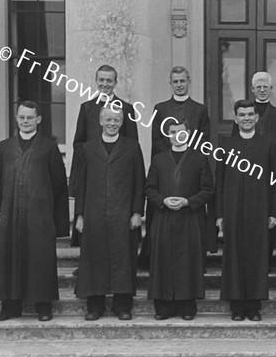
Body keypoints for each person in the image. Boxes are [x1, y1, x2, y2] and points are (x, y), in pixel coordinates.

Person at [0, 100, 69, 322]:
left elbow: (59, 185)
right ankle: (10, 307)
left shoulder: (48, 147)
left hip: (40, 214)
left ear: (38, 119)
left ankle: (43, 306)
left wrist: (57, 221)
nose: (25, 121)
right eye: (22, 117)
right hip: (10, 212)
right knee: (9, 258)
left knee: (40, 259)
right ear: (16, 118)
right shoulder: (4, 147)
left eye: (30, 117)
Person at [74, 106, 145, 321]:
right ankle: (95, 306)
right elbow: (81, 183)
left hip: (122, 213)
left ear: (122, 122)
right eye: (108, 120)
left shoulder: (132, 148)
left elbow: (139, 182)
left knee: (124, 259)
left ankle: (122, 306)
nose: (112, 124)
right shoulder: (88, 148)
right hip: (94, 212)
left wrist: (136, 212)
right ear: (100, 121)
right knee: (94, 258)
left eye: (116, 120)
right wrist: (79, 215)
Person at [216, 99, 276, 321]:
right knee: (234, 256)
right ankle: (237, 306)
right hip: (233, 209)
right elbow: (221, 182)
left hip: (259, 208)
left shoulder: (268, 144)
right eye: (241, 115)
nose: (246, 118)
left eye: (250, 114)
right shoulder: (226, 145)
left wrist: (273, 212)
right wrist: (220, 215)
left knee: (256, 256)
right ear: (236, 118)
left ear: (256, 118)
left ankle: (253, 306)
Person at [142, 66, 212, 269]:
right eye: (175, 81)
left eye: (183, 81)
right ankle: (154, 259)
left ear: (189, 82)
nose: (179, 85)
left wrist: (187, 158)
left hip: (191, 167)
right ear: (170, 83)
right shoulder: (161, 108)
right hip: (165, 169)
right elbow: (157, 139)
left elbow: (204, 139)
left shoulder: (199, 109)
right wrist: (170, 160)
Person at [145, 119, 214, 321]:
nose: (177, 135)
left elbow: (208, 190)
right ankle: (164, 307)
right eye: (173, 132)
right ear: (168, 134)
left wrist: (188, 201)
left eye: (181, 132)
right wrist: (163, 200)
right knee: (163, 260)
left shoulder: (199, 159)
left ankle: (187, 306)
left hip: (190, 217)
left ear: (189, 133)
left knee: (188, 262)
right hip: (164, 217)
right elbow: (150, 188)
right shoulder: (158, 159)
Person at [69, 65, 139, 250]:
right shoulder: (87, 108)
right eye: (102, 80)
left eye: (109, 80)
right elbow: (78, 142)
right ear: (96, 81)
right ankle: (86, 267)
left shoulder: (127, 109)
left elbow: (133, 145)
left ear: (116, 83)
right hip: (92, 175)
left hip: (118, 177)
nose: (105, 84)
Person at [232, 72, 276, 254]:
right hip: (247, 171)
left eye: (266, 87)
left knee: (270, 215)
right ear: (252, 89)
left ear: (270, 89)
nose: (262, 90)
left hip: (271, 172)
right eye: (259, 87)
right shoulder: (245, 112)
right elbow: (236, 144)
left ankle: (268, 258)